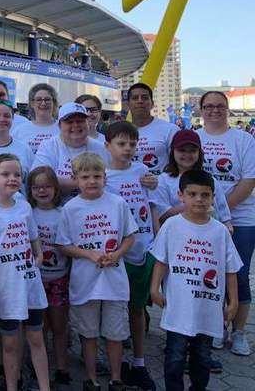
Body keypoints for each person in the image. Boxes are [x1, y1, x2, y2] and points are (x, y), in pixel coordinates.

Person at [150, 170, 242, 391]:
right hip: (178, 307)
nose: (199, 199)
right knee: (175, 357)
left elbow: (230, 270)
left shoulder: (220, 232)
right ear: (181, 195)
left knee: (202, 358)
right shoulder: (171, 226)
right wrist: (154, 289)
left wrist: (234, 302)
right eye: (193, 194)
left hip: (208, 308)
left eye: (205, 194)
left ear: (212, 197)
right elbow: (161, 261)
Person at [55, 153, 137, 391]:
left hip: (114, 281)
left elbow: (130, 236)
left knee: (115, 334)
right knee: (88, 333)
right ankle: (90, 378)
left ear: (105, 177)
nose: (92, 181)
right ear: (76, 179)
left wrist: (118, 254)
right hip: (85, 282)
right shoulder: (70, 208)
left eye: (97, 176)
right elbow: (63, 245)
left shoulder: (117, 203)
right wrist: (89, 254)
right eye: (85, 177)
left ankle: (116, 377)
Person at [0, 154, 50, 391]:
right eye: (5, 174)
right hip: (6, 290)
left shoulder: (24, 206)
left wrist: (39, 254)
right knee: (9, 344)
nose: (12, 179)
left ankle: (45, 387)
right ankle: (12, 385)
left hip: (30, 285)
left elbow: (33, 236)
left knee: (36, 339)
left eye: (17, 174)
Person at [196, 91, 255, 355]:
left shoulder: (243, 139)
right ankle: (217, 326)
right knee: (213, 276)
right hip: (203, 218)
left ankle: (239, 332)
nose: (214, 111)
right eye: (208, 106)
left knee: (239, 276)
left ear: (228, 109)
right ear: (201, 110)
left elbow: (249, 180)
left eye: (220, 106)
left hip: (241, 218)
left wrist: (220, 211)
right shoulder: (194, 138)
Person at [103, 122, 159, 391]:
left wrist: (158, 241)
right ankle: (117, 363)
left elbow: (153, 206)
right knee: (114, 311)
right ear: (108, 146)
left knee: (137, 309)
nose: (127, 149)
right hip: (115, 253)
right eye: (121, 144)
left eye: (132, 144)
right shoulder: (102, 176)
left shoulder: (143, 172)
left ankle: (139, 362)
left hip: (142, 249)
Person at [27, 166, 71, 390]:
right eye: (36, 187)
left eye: (47, 186)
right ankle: (39, 368)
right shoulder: (27, 212)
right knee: (39, 326)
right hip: (36, 280)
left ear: (56, 188)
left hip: (59, 279)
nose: (42, 191)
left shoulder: (64, 213)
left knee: (60, 326)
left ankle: (62, 368)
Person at [153, 129, 232, 230]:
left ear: (199, 153)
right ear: (172, 152)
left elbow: (223, 214)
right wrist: (198, 206)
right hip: (178, 236)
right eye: (182, 150)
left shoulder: (209, 179)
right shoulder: (162, 181)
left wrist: (228, 226)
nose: (187, 155)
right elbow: (162, 214)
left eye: (192, 151)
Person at [33, 102, 109, 201]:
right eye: (69, 122)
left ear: (88, 123)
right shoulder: (48, 146)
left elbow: (109, 180)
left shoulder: (100, 147)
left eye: (80, 121)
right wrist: (84, 182)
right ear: (59, 125)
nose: (76, 125)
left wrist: (62, 183)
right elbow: (39, 180)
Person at [126, 84, 179, 176]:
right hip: (129, 188)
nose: (140, 101)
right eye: (135, 98)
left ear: (152, 104)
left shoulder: (170, 130)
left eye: (145, 98)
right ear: (128, 105)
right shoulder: (120, 132)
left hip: (160, 188)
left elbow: (178, 164)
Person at [14, 84, 59, 154]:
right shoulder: (19, 131)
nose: (43, 103)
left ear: (54, 103)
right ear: (32, 103)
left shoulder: (63, 128)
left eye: (47, 99)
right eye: (38, 99)